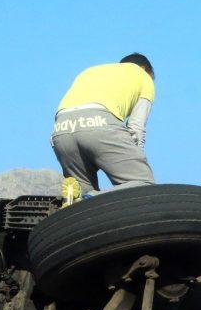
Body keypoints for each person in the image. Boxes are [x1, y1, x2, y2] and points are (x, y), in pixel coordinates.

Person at [51, 53, 156, 201]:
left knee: (80, 194)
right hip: (99, 123)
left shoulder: (89, 72)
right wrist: (136, 158)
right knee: (144, 185)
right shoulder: (143, 76)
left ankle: (77, 198)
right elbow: (136, 128)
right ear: (145, 69)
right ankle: (90, 198)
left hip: (61, 129)